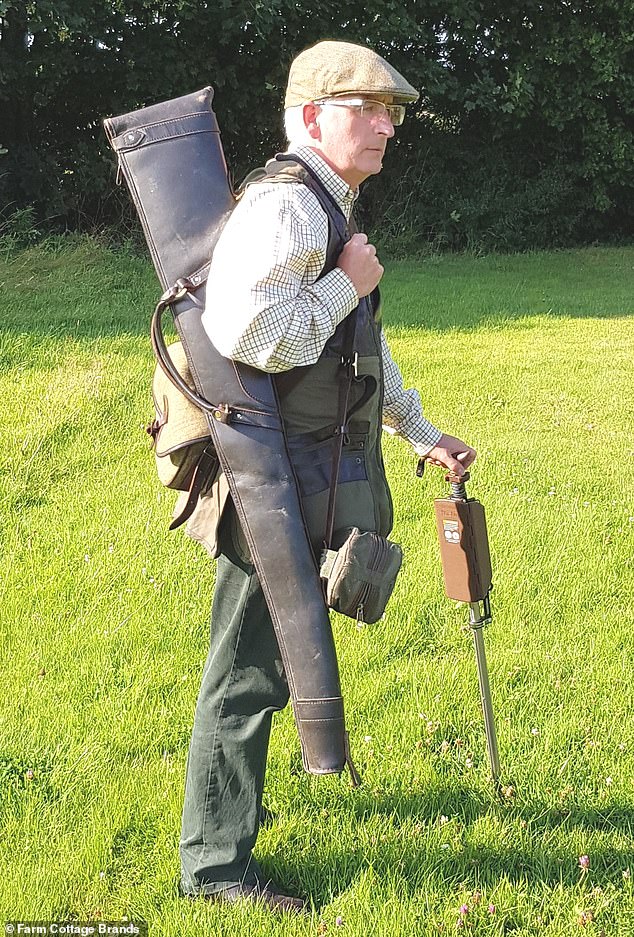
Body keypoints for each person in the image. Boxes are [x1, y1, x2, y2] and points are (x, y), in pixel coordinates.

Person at [179, 39, 476, 913]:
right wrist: (347, 283)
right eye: (367, 108)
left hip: (306, 463)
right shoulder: (290, 207)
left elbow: (356, 350)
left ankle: (233, 821)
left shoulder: (326, 204)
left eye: (391, 111)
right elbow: (251, 333)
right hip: (272, 475)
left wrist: (419, 431)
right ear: (311, 116)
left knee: (271, 654)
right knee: (246, 668)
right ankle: (214, 867)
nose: (387, 125)